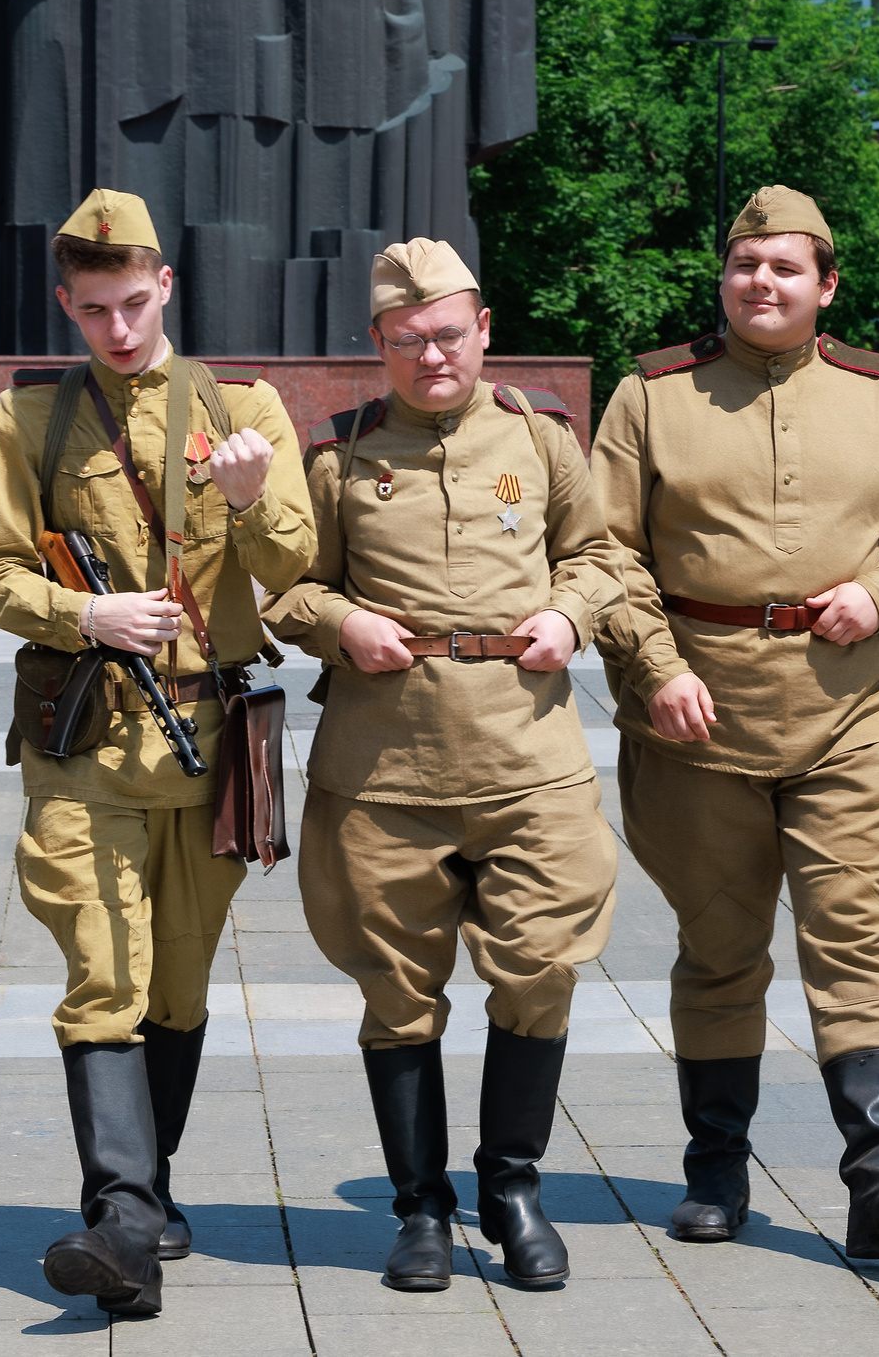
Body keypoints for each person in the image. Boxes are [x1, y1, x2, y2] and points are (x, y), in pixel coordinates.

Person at [591, 186, 879, 1262]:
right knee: (720, 952)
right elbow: (606, 553)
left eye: (786, 268)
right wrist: (655, 666)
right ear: (723, 277)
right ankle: (715, 1170)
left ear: (825, 286)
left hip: (850, 709)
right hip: (696, 718)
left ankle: (878, 1168)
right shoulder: (651, 396)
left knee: (851, 935)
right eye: (745, 264)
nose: (762, 282)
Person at [0, 189, 316, 1319]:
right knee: (102, 973)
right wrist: (85, 616)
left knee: (179, 979)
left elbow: (295, 563)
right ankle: (117, 1211)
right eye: (93, 309)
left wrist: (253, 500)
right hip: (90, 745)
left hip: (213, 742)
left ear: (167, 285)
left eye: (133, 302)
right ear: (67, 305)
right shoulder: (30, 423)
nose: (117, 329)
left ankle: (149, 1198)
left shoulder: (246, 408)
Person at [265, 238, 623, 1293]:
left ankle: (511, 1190)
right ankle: (419, 1207)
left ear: (483, 332)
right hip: (386, 770)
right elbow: (285, 585)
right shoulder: (334, 457)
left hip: (527, 761)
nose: (432, 355)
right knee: (396, 991)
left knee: (541, 969)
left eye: (449, 334)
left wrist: (569, 612)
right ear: (377, 343)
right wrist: (341, 624)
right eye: (408, 339)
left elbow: (600, 555)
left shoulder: (543, 439)